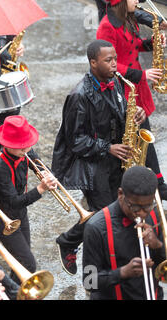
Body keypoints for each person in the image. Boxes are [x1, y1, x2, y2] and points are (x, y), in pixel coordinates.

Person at [51, 40, 147, 276]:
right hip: (92, 164)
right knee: (105, 214)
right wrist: (108, 148)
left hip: (114, 161)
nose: (115, 64)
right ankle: (72, 245)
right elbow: (75, 140)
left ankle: (100, 253)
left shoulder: (114, 82)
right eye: (108, 60)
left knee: (114, 211)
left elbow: (118, 114)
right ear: (93, 63)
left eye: (115, 58)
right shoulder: (78, 95)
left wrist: (134, 116)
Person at [96, 0, 167, 200]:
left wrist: (152, 43)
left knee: (143, 135)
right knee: (133, 137)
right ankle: (153, 184)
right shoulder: (106, 27)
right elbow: (108, 64)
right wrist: (141, 74)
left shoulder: (128, 19)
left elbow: (134, 46)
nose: (137, 0)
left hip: (135, 88)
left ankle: (156, 183)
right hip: (123, 89)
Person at [0, 115, 57, 283]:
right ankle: (11, 291)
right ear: (7, 144)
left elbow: (38, 165)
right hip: (3, 216)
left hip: (19, 211)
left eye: (27, 146)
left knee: (22, 261)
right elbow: (14, 201)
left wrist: (46, 173)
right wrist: (41, 189)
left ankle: (13, 291)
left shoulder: (25, 149)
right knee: (28, 263)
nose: (26, 151)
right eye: (21, 148)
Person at [82, 166, 165, 300]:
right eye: (136, 207)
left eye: (148, 206)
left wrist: (158, 245)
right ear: (120, 194)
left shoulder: (155, 214)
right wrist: (123, 272)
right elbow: (89, 282)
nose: (143, 213)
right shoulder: (96, 228)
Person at [94, 0, 167, 29]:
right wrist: (155, 20)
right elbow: (121, 7)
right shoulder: (107, 26)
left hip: (126, 22)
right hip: (113, 23)